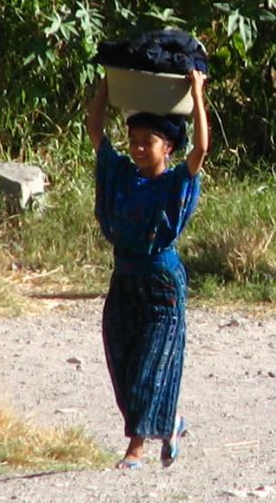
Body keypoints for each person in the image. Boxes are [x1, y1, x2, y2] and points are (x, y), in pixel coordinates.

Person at [87, 69, 209, 470]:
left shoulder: (176, 183)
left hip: (161, 286)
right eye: (134, 141)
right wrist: (109, 82)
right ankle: (169, 421)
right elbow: (95, 130)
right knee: (121, 361)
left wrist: (195, 91)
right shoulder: (121, 176)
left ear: (168, 147)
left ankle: (135, 448)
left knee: (148, 367)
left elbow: (202, 150)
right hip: (124, 280)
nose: (138, 148)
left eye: (148, 142)